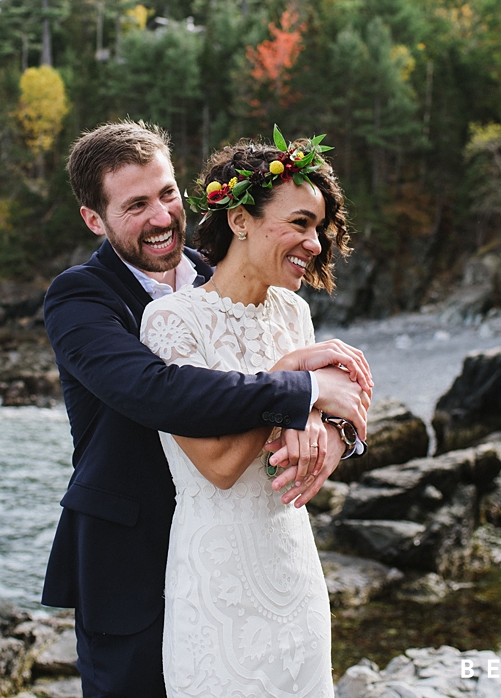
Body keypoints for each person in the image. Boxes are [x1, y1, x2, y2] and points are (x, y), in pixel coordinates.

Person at [41, 121, 372, 698]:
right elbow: (155, 390)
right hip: (133, 556)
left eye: (167, 193)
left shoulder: (236, 279)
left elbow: (325, 402)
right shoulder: (79, 297)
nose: (161, 216)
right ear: (95, 219)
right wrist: (298, 388)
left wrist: (331, 429)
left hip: (255, 548)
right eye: (135, 205)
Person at [139, 131, 353, 697]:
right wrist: (293, 379)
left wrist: (330, 433)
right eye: (301, 223)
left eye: (320, 228)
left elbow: (308, 432)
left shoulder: (294, 313)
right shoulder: (172, 323)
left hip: (294, 569)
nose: (315, 242)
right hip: (218, 580)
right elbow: (219, 465)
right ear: (240, 220)